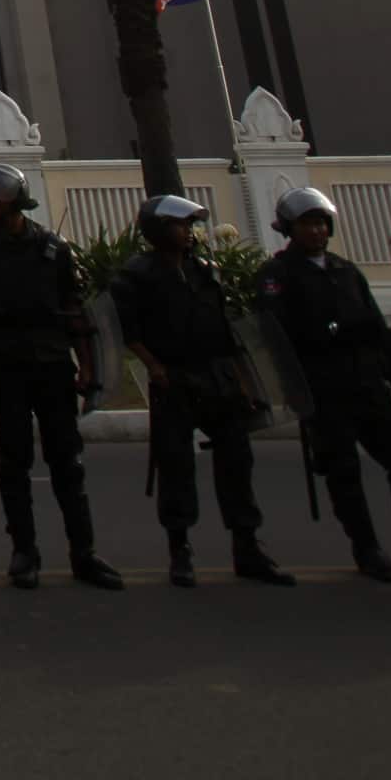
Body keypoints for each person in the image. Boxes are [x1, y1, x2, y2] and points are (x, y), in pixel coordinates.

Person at [258, 186, 391, 584]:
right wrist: (328, 337)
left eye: (321, 223)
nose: (316, 231)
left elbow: (376, 328)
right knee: (343, 472)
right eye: (307, 224)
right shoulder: (277, 276)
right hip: (323, 388)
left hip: (368, 383)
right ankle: (367, 548)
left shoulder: (345, 270)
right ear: (290, 229)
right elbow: (277, 334)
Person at [0, 165, 121, 589]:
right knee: (13, 462)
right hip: (6, 365)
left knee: (68, 462)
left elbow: (76, 311)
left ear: (15, 199)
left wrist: (90, 366)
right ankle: (24, 551)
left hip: (52, 364)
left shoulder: (51, 248)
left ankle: (84, 552)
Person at [112, 195, 290, 588]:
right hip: (174, 381)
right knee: (176, 468)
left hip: (216, 377)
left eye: (190, 226)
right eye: (180, 225)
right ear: (158, 230)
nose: (188, 233)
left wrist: (244, 379)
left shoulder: (205, 271)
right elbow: (129, 331)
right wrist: (155, 367)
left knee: (237, 463)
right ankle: (180, 550)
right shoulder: (136, 275)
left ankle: (247, 547)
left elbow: (225, 331)